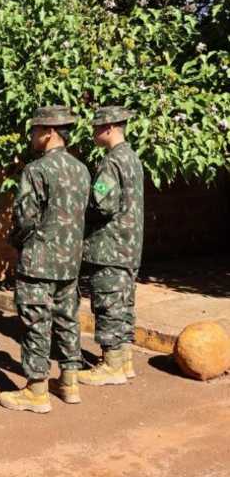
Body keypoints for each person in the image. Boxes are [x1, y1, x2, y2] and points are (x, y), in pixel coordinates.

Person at [0, 106, 91, 414]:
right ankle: (70, 382)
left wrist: (14, 241)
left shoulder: (37, 170)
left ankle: (37, 390)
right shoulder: (82, 169)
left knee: (36, 322)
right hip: (70, 262)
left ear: (49, 132)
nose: (33, 136)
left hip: (39, 260)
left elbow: (26, 217)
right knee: (67, 319)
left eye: (36, 131)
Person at [79, 106, 144, 386]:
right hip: (129, 247)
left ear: (109, 128)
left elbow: (102, 204)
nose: (93, 133)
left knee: (107, 305)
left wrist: (85, 209)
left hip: (109, 247)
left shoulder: (111, 162)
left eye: (96, 128)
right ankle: (124, 361)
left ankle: (110, 365)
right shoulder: (132, 158)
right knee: (123, 304)